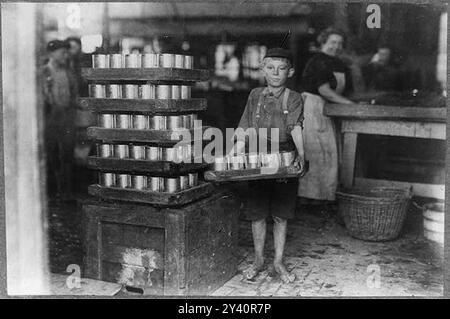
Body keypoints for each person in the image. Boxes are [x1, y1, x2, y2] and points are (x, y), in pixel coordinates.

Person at [229, 48, 305, 283]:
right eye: (270, 68)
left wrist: (301, 154)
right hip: (258, 159)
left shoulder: (293, 97)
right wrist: (234, 154)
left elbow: (295, 128)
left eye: (281, 68)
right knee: (257, 214)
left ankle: (278, 261)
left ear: (289, 72)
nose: (275, 73)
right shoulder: (255, 95)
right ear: (262, 69)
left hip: (284, 160)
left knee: (281, 215)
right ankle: (259, 260)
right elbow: (244, 127)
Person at [298, 27, 354, 205]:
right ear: (323, 42)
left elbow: (346, 91)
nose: (336, 47)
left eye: (339, 43)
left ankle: (322, 198)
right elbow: (325, 91)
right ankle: (307, 199)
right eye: (332, 43)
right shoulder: (318, 61)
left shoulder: (340, 64)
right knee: (315, 154)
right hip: (314, 109)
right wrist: (350, 105)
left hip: (330, 109)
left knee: (329, 155)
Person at [41, 39, 79, 200]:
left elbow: (74, 94)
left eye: (66, 52)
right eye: (62, 52)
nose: (66, 55)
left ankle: (65, 191)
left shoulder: (69, 72)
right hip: (50, 118)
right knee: (52, 154)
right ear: (52, 53)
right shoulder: (44, 72)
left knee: (67, 155)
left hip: (67, 118)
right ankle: (55, 190)